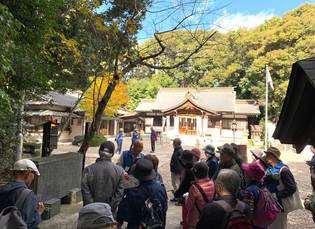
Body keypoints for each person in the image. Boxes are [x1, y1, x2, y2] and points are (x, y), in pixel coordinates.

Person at [117, 159, 168, 229]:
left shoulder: (134, 192)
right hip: (158, 225)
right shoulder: (160, 188)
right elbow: (164, 207)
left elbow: (125, 214)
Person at [81, 141, 125, 216]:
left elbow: (85, 191)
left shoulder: (88, 169)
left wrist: (93, 207)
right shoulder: (120, 171)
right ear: (112, 154)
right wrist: (108, 208)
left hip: (91, 212)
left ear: (99, 152)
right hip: (109, 213)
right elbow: (119, 194)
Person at [0, 159, 45, 229]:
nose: (33, 178)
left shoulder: (2, 189)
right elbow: (29, 224)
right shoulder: (29, 195)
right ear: (28, 174)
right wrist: (38, 213)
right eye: (33, 174)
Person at [263, 146, 297, 229]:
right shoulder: (269, 167)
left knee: (279, 226)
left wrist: (277, 195)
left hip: (279, 205)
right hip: (269, 204)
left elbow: (292, 187)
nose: (266, 157)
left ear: (273, 156)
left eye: (268, 155)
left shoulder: (284, 170)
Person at [185, 162, 215, 229]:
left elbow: (188, 206)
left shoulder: (194, 188)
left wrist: (187, 197)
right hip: (209, 219)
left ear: (195, 174)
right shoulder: (213, 183)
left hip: (196, 221)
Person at [174, 150, 198, 229]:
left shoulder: (188, 171)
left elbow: (184, 185)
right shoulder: (194, 167)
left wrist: (176, 194)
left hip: (187, 196)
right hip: (193, 195)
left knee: (186, 214)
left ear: (184, 160)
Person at [241, 161, 266, 229]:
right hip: (262, 223)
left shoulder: (250, 191)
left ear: (251, 177)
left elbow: (248, 214)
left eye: (246, 172)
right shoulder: (262, 186)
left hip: (253, 225)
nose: (244, 174)